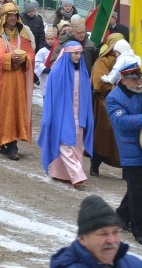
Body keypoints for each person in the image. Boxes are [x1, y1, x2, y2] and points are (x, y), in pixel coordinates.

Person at [106, 63, 142, 246]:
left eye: (140, 77)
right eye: (134, 79)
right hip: (131, 149)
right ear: (123, 80)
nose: (140, 81)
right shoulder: (113, 98)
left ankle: (121, 216)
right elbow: (121, 122)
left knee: (140, 189)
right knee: (137, 193)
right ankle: (140, 231)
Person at [39, 41, 94, 189]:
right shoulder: (57, 72)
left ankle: (61, 174)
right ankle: (77, 175)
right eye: (75, 53)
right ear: (68, 53)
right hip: (62, 116)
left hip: (79, 115)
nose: (78, 56)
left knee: (77, 145)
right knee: (65, 145)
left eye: (80, 53)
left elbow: (86, 96)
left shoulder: (83, 72)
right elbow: (52, 98)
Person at [0, 2, 35, 160]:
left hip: (19, 80)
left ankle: (0, 140)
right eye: (9, 15)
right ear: (4, 18)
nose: (13, 18)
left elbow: (31, 55)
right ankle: (10, 143)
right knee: (6, 110)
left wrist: (24, 59)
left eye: (15, 15)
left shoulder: (23, 37)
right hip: (4, 82)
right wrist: (8, 58)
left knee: (17, 109)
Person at [50, 195, 142, 268]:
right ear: (82, 239)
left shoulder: (134, 264)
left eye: (115, 232)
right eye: (103, 233)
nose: (111, 240)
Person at [88, 33, 126, 177]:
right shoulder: (103, 61)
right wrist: (118, 91)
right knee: (103, 136)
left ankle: (126, 169)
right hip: (106, 103)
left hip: (125, 104)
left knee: (126, 137)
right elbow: (100, 83)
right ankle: (95, 164)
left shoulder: (127, 60)